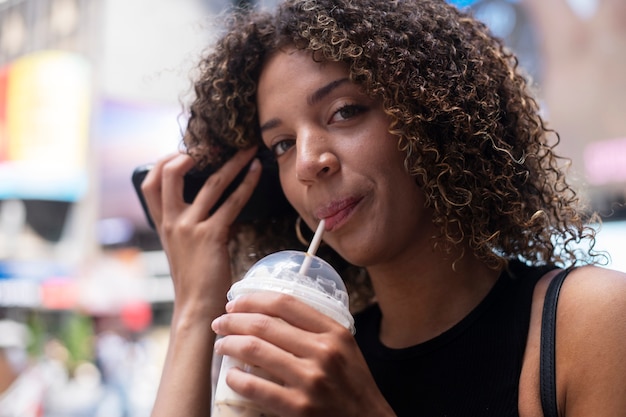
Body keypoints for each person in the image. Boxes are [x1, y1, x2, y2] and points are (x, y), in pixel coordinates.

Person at [141, 0, 626, 416]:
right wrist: (194, 307)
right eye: (283, 144)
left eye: (345, 111)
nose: (309, 162)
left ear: (430, 114)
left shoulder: (588, 321)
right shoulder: (299, 361)